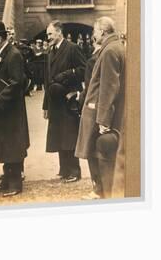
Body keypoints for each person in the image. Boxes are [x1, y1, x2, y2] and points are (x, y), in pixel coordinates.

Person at [75, 17, 126, 199]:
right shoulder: (114, 47)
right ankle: (101, 189)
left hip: (98, 113)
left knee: (98, 152)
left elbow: (109, 87)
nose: (92, 35)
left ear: (103, 32)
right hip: (98, 110)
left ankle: (102, 190)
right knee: (97, 151)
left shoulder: (110, 51)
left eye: (94, 31)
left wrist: (104, 120)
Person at [0, 21, 30, 197]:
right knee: (5, 144)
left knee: (12, 146)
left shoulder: (13, 55)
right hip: (2, 110)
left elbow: (16, 83)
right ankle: (7, 179)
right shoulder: (2, 54)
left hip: (10, 111)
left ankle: (15, 183)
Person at [43, 20, 86, 183]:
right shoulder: (50, 51)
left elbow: (83, 70)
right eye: (47, 34)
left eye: (50, 34)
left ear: (59, 32)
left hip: (68, 99)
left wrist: (68, 75)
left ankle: (75, 170)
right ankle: (64, 168)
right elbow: (47, 81)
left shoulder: (72, 48)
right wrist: (45, 105)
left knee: (70, 135)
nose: (48, 37)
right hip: (55, 101)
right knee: (59, 135)